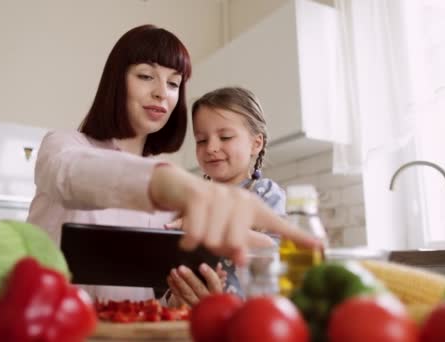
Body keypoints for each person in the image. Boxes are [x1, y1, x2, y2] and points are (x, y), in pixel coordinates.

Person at [27, 25, 319, 302]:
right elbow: (71, 175)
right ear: (116, 80)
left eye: (173, 83)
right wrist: (176, 186)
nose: (161, 92)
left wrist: (181, 298)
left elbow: (149, 295)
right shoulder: (64, 146)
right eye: (145, 76)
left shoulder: (173, 202)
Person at [165, 87, 286, 306]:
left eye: (225, 137)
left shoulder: (264, 192)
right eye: (201, 140)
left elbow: (271, 248)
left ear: (255, 143)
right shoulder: (191, 199)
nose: (211, 147)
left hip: (250, 317)